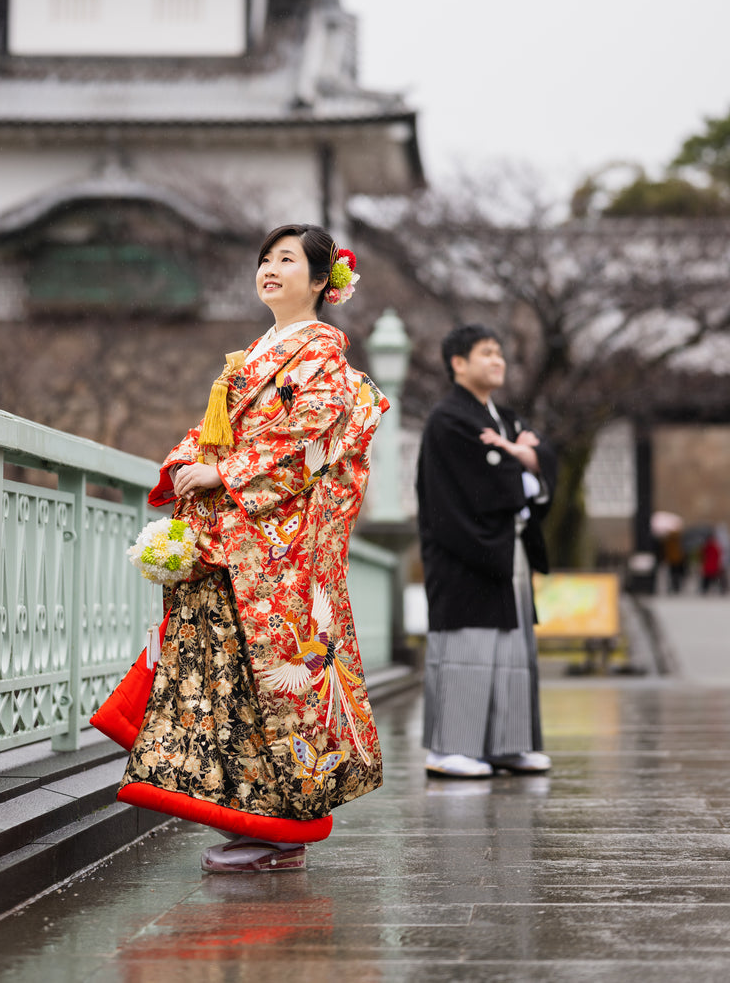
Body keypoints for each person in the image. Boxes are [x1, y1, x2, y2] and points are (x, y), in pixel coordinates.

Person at [94, 224, 388, 872]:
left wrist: (225, 475)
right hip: (236, 539)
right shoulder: (256, 353)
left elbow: (307, 442)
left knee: (266, 686)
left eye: (287, 260)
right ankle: (261, 822)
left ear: (320, 282)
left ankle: (281, 826)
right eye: (265, 259)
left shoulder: (321, 356)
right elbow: (215, 432)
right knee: (228, 684)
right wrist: (182, 462)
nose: (270, 269)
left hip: (273, 550)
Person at [416, 323, 557, 779]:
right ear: (458, 363)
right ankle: (448, 747)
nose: (498, 360)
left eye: (500, 353)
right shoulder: (449, 420)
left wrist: (523, 460)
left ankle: (506, 745)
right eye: (486, 353)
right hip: (465, 550)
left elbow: (542, 457)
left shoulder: (505, 418)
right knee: (466, 649)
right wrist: (523, 464)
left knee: (513, 651)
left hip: (505, 547)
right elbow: (482, 483)